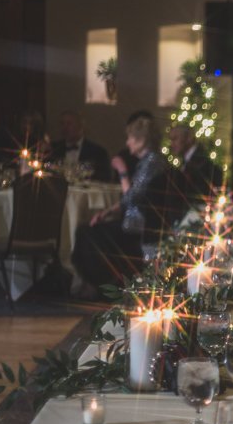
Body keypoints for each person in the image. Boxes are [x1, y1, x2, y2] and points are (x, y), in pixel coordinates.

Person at [72, 115, 171, 294]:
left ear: (141, 140)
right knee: (89, 229)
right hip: (138, 220)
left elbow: (133, 196)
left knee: (87, 233)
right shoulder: (150, 161)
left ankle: (100, 285)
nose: (127, 143)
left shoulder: (152, 162)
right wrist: (109, 212)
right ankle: (95, 283)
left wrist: (122, 172)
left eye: (130, 138)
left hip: (141, 225)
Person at [48, 110, 112, 181]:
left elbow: (105, 178)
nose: (65, 128)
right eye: (62, 124)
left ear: (81, 126)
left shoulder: (98, 152)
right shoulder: (53, 148)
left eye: (69, 124)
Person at [168, 124, 222, 201]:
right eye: (170, 140)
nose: (171, 144)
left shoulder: (201, 163)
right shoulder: (187, 161)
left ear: (189, 138)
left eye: (175, 139)